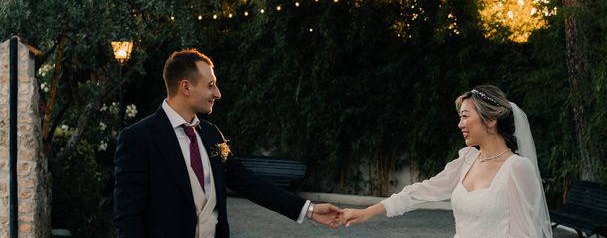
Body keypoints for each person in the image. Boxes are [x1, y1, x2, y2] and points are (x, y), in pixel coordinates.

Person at [114, 49, 342, 238]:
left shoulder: (212, 134)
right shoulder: (138, 138)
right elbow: (127, 216)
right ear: (186, 87)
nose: (218, 93)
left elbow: (250, 183)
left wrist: (309, 210)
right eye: (210, 85)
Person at [340, 85, 552, 238]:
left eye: (465, 116)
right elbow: (420, 192)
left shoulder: (517, 168)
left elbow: (527, 233)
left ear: (490, 120)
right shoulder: (467, 160)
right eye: (460, 118)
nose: (460, 124)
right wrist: (367, 212)